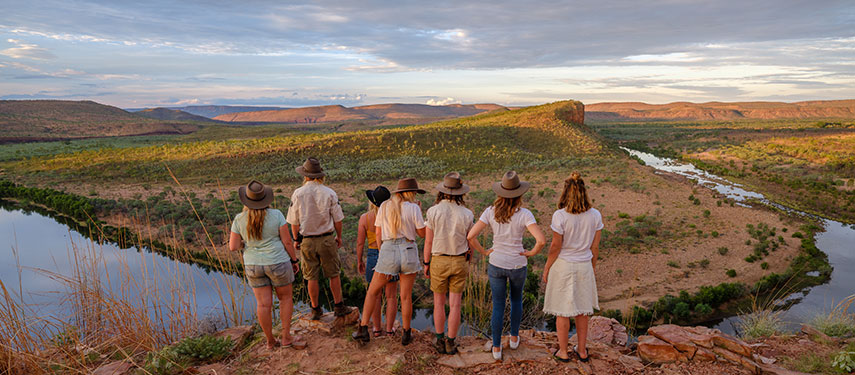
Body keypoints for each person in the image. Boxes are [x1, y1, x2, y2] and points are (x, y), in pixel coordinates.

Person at [468, 171, 546, 361]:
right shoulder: (525, 214)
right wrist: (531, 252)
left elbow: (471, 236)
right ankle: (513, 338)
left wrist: (485, 252)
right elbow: (541, 241)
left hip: (497, 263)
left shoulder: (490, 212)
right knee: (517, 300)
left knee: (498, 305)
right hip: (518, 264)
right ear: (519, 194)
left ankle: (496, 347)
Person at [353, 178, 426, 346]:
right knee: (405, 297)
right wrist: (419, 212)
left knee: (373, 292)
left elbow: (378, 234)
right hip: (408, 249)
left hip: (388, 249)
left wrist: (383, 253)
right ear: (411, 193)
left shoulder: (384, 206)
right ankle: (406, 334)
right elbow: (421, 233)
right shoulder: (414, 208)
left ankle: (363, 329)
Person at [229, 180, 301, 350]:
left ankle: (270, 341)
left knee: (263, 305)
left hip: (253, 265)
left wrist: (246, 244)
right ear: (265, 198)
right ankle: (285, 338)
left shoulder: (239, 219)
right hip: (278, 261)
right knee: (285, 299)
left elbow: (233, 246)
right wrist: (294, 260)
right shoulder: (276, 215)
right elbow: (287, 242)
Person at [542, 172, 602, 363]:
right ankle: (582, 351)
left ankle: (563, 351)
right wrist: (591, 267)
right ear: (584, 192)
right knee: (582, 311)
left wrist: (547, 268)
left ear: (565, 193)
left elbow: (555, 246)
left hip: (564, 266)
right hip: (584, 264)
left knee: (563, 311)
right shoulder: (595, 215)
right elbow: (595, 247)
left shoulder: (560, 216)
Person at [286, 157, 352, 319]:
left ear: (305, 175)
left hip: (307, 241)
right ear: (319, 174)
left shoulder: (297, 193)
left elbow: (294, 222)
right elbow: (338, 219)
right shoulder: (329, 192)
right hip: (327, 239)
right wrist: (339, 237)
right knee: (334, 274)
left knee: (311, 277)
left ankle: (315, 310)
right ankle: (338, 306)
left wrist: (296, 239)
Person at [424, 172, 473, 355]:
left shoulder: (433, 211)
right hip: (460, 260)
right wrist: (469, 259)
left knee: (438, 303)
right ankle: (451, 343)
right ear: (460, 192)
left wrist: (426, 263)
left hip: (439, 260)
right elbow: (470, 242)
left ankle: (439, 340)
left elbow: (428, 242)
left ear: (442, 191)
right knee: (455, 305)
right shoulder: (467, 214)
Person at [356, 186, 399, 337]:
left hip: (373, 255)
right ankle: (389, 329)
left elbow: (360, 242)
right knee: (391, 295)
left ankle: (376, 328)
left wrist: (359, 260)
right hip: (390, 253)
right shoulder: (393, 216)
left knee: (374, 294)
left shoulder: (365, 218)